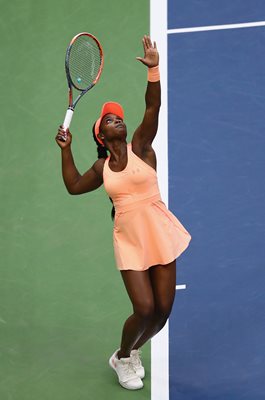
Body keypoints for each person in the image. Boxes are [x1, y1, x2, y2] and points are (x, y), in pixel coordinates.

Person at [55, 35, 191, 391]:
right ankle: (123, 355)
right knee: (144, 309)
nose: (117, 119)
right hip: (130, 241)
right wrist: (66, 150)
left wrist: (154, 70)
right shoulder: (102, 169)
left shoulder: (141, 147)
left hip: (160, 232)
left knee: (162, 313)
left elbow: (152, 109)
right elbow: (72, 186)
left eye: (118, 117)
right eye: (110, 120)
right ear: (101, 135)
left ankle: (130, 353)